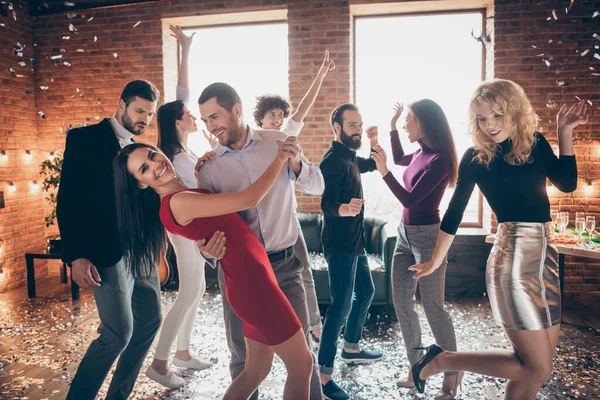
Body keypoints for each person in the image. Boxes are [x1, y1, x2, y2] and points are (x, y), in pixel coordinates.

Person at [409, 79, 588, 400]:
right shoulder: (476, 157)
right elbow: (453, 213)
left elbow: (567, 183)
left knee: (530, 371)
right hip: (512, 261)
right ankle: (441, 360)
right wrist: (435, 261)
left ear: (514, 112)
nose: (489, 125)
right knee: (539, 368)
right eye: (481, 118)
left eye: (497, 115)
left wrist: (565, 132)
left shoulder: (535, 143)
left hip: (546, 257)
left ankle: (442, 360)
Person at [113, 142, 313, 399]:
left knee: (256, 371)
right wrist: (279, 158)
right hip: (255, 290)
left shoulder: (182, 194)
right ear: (141, 183)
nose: (156, 164)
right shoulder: (177, 203)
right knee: (301, 365)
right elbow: (249, 199)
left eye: (153, 155)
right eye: (145, 168)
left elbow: (210, 224)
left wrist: (200, 174)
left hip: (250, 286)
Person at [196, 82, 325, 400]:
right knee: (243, 359)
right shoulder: (209, 169)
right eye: (205, 121)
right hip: (240, 274)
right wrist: (205, 249)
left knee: (303, 355)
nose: (211, 127)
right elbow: (206, 226)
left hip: (284, 266)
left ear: (236, 110)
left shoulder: (278, 141)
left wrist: (296, 164)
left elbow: (317, 185)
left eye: (215, 117)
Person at [56, 80, 162, 400]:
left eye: (150, 113)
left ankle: (119, 396)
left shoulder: (142, 150)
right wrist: (76, 255)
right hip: (106, 250)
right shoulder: (84, 139)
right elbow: (69, 200)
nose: (145, 118)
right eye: (139, 110)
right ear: (121, 106)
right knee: (117, 334)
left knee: (151, 321)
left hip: (140, 249)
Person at [369, 100, 461, 399]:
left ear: (424, 122)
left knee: (434, 308)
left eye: (409, 120)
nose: (407, 124)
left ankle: (451, 376)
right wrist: (393, 127)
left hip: (427, 238)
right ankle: (416, 368)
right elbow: (397, 159)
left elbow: (411, 200)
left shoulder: (441, 159)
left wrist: (382, 172)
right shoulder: (421, 152)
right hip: (404, 235)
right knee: (403, 303)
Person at [251, 50, 336, 346]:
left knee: (305, 271)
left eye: (280, 114)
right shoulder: (251, 141)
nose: (278, 117)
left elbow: (301, 110)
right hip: (258, 224)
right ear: (260, 117)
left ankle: (314, 326)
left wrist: (321, 75)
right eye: (272, 114)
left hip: (288, 220)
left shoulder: (286, 137)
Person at [145, 25, 213, 388]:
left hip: (191, 227)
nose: (194, 115)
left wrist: (185, 50)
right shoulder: (172, 155)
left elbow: (181, 93)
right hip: (182, 229)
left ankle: (184, 354)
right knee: (188, 291)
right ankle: (159, 363)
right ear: (177, 121)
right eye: (188, 113)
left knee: (198, 289)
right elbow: (187, 193)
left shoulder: (184, 150)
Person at [318, 103, 384, 400]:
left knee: (366, 292)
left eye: (359, 124)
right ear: (337, 128)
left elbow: (372, 162)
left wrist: (375, 140)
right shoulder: (332, 160)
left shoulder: (349, 157)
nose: (357, 130)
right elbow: (326, 203)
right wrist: (344, 208)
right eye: (352, 125)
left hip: (356, 242)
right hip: (340, 244)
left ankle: (352, 347)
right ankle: (323, 375)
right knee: (340, 305)